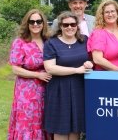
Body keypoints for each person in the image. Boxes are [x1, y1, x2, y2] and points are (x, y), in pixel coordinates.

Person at [43, 11, 93, 140]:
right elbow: (50, 68)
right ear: (60, 26)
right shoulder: (52, 43)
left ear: (77, 25)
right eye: (66, 25)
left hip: (78, 88)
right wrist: (76, 70)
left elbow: (91, 59)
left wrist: (89, 63)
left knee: (75, 129)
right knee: (61, 130)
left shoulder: (84, 40)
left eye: (72, 24)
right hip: (59, 90)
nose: (69, 27)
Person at [7, 9, 52, 140]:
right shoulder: (20, 42)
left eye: (39, 21)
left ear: (43, 23)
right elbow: (15, 69)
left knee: (43, 121)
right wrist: (37, 75)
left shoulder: (48, 41)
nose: (35, 24)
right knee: (28, 123)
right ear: (27, 24)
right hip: (27, 92)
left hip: (46, 90)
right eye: (32, 21)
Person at [87, 0, 118, 71]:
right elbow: (97, 59)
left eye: (112, 11)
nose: (110, 14)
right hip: (106, 76)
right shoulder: (99, 33)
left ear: (117, 13)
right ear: (102, 15)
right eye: (107, 12)